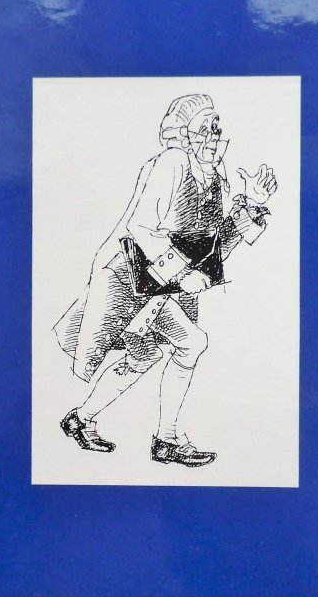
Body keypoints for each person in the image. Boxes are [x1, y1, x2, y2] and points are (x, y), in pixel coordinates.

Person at [53, 93, 277, 467]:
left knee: (146, 355)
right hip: (130, 277)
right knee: (191, 342)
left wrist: (252, 204)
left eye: (216, 128)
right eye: (204, 128)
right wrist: (185, 273)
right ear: (184, 134)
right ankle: (167, 441)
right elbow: (141, 228)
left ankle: (80, 419)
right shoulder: (171, 162)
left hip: (161, 286)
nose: (213, 137)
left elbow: (214, 249)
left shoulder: (215, 180)